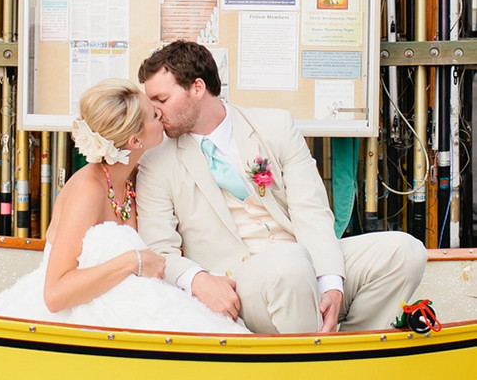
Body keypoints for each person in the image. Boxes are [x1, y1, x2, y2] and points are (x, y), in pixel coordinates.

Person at [136, 41, 427, 335]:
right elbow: (158, 249)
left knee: (404, 252)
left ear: (197, 88)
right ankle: (316, 357)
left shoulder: (275, 126)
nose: (154, 111)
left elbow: (311, 209)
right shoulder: (155, 162)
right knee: (290, 263)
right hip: (240, 283)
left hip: (304, 260)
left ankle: (348, 347)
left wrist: (331, 283)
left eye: (161, 99)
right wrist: (198, 279)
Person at [0, 78, 247, 334]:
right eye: (154, 114)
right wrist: (132, 261)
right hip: (76, 319)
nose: (161, 114)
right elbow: (55, 294)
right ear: (135, 141)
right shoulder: (87, 191)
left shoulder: (136, 177)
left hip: (133, 309)